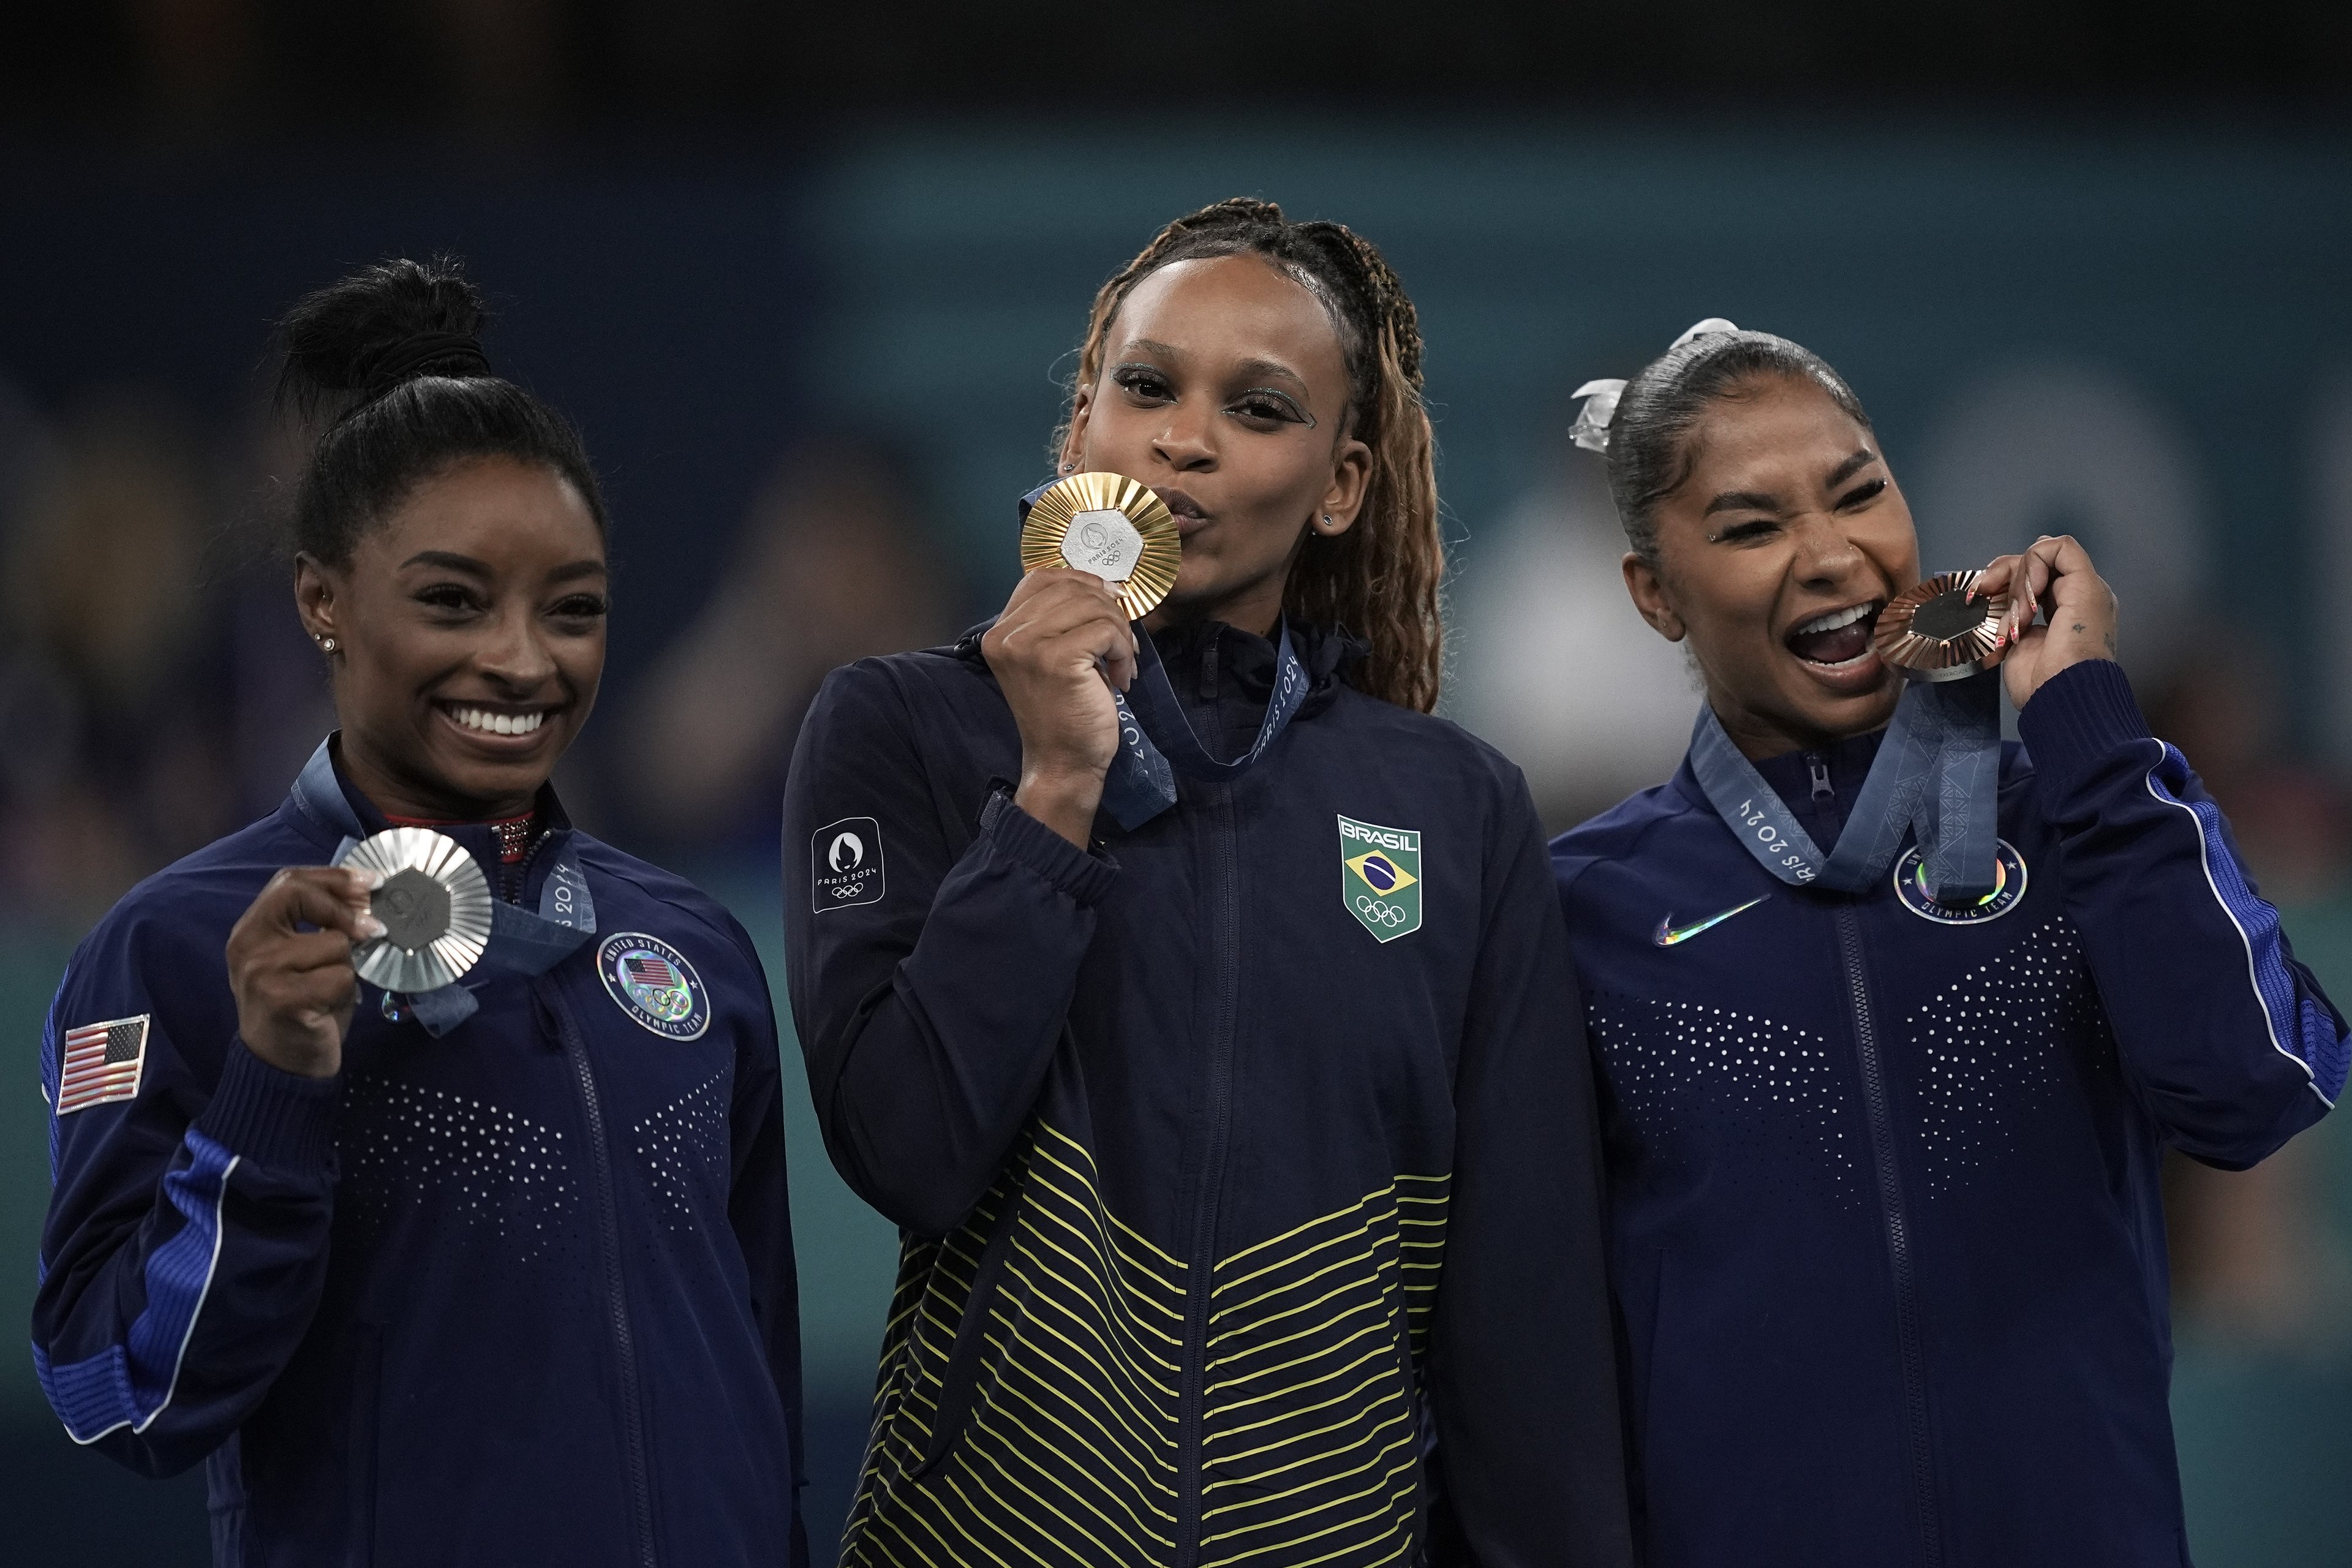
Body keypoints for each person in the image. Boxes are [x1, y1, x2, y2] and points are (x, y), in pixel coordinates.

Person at [783, 198, 1631, 1566]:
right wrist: (1054, 791)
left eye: (1259, 406)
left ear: (1342, 485)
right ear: (1079, 428)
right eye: (1146, 386)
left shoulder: (1455, 807)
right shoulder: (905, 731)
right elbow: (910, 1148)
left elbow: (1523, 1323)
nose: (1185, 436)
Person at [31, 258, 808, 1567]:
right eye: (453, 600)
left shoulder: (691, 948)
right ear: (321, 598)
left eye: (573, 610)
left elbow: (762, 1385)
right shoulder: (178, 948)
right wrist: (270, 1093)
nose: (521, 657)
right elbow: (115, 1387)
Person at [1551, 320, 2346, 1567]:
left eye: (1859, 491)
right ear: (1655, 593)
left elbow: (2258, 1086)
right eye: (1753, 526)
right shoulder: (1585, 907)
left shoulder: (2084, 809)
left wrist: (2084, 720)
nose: (1830, 554)